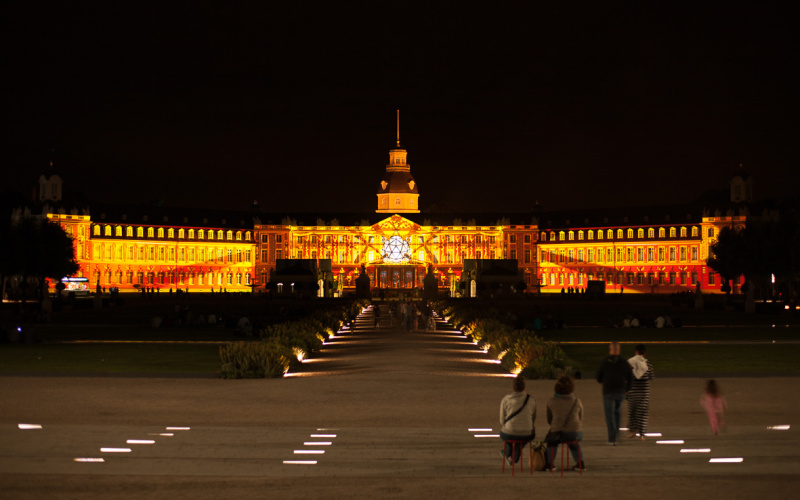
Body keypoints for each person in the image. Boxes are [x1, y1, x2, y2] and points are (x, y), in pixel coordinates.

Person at [596, 342, 633, 445]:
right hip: (620, 392)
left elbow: (598, 377)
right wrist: (627, 389)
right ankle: (617, 435)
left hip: (608, 392)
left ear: (610, 349)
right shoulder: (624, 362)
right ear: (619, 350)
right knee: (617, 413)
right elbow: (630, 377)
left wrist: (605, 381)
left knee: (609, 415)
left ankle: (612, 439)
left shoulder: (605, 362)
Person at [545, 376, 585, 471]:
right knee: (574, 443)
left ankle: (550, 464)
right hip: (574, 432)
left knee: (551, 443)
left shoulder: (552, 401)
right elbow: (580, 418)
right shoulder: (577, 401)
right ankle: (580, 463)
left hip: (557, 431)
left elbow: (549, 420)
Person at [499, 376, 536, 466]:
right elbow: (533, 418)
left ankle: (509, 455)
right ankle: (514, 455)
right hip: (526, 433)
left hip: (509, 432)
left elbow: (502, 420)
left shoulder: (506, 399)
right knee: (524, 438)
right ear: (524, 388)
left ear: (513, 388)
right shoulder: (531, 400)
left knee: (507, 436)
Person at [627, 344, 654, 440]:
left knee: (633, 412)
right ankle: (642, 434)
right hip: (644, 393)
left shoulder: (630, 363)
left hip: (633, 392)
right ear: (644, 353)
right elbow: (651, 377)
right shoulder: (648, 364)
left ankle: (633, 430)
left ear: (636, 352)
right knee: (643, 413)